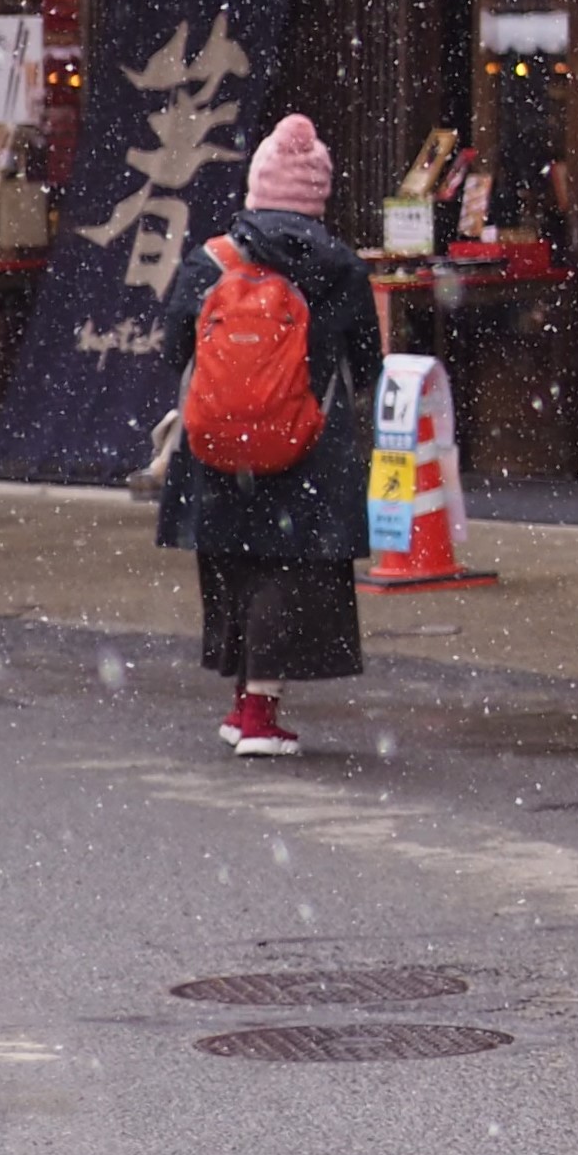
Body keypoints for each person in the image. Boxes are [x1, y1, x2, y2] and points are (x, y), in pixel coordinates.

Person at [155, 113, 381, 760]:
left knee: (232, 562)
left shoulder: (213, 259)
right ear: (318, 194)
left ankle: (239, 704)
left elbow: (176, 347)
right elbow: (366, 364)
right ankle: (259, 712)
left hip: (218, 445)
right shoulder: (339, 267)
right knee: (289, 569)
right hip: (306, 445)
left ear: (256, 187)